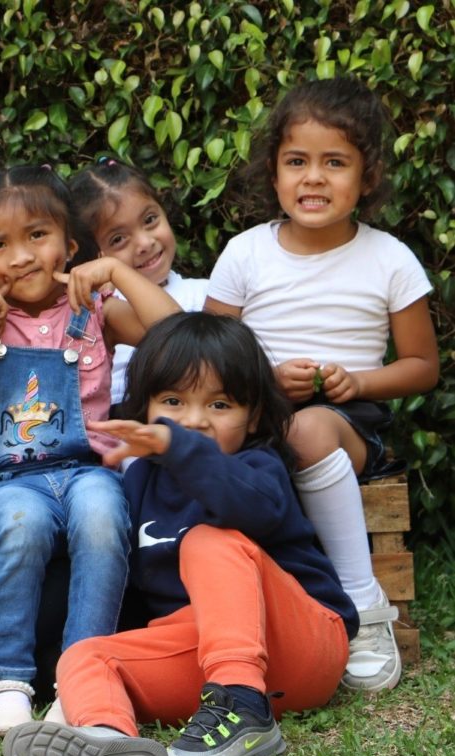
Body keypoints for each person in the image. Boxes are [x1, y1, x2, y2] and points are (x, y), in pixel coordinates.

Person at [2, 312, 358, 756]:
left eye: (220, 405)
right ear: (145, 407)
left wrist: (178, 447)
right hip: (205, 655)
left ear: (252, 416)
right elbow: (128, 590)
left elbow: (250, 508)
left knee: (209, 541)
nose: (194, 420)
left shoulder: (259, 467)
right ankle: (108, 741)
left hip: (301, 641)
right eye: (173, 401)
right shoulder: (141, 482)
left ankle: (243, 705)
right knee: (85, 655)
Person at [204, 77, 439, 693]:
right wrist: (262, 380)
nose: (313, 178)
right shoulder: (245, 254)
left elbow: (421, 365)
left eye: (335, 162)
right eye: (297, 161)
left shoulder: (389, 258)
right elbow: (207, 360)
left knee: (307, 428)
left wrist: (356, 379)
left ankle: (364, 609)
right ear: (274, 171)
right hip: (256, 417)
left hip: (347, 426)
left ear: (367, 177)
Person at [0, 165, 180, 735]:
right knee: (18, 525)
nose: (21, 256)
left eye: (37, 236)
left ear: (70, 247)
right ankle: (8, 678)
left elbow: (172, 333)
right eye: (0, 245)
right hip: (11, 480)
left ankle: (82, 675)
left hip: (86, 469)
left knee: (101, 516)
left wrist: (117, 269)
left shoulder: (94, 309)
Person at [65, 157, 209, 412]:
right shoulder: (95, 309)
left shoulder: (208, 294)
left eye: (150, 219)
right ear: (93, 256)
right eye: (118, 239)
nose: (144, 243)